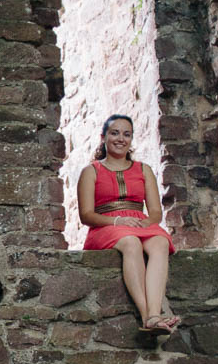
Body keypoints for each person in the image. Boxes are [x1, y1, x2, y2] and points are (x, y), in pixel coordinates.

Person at [76, 114, 178, 333]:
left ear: (131, 139)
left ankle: (155, 314)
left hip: (138, 223)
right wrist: (117, 220)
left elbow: (155, 212)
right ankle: (146, 316)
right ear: (103, 137)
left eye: (127, 134)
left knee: (160, 242)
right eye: (114, 133)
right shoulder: (91, 171)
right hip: (105, 226)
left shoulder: (143, 169)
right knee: (131, 243)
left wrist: (145, 223)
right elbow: (86, 215)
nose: (121, 139)